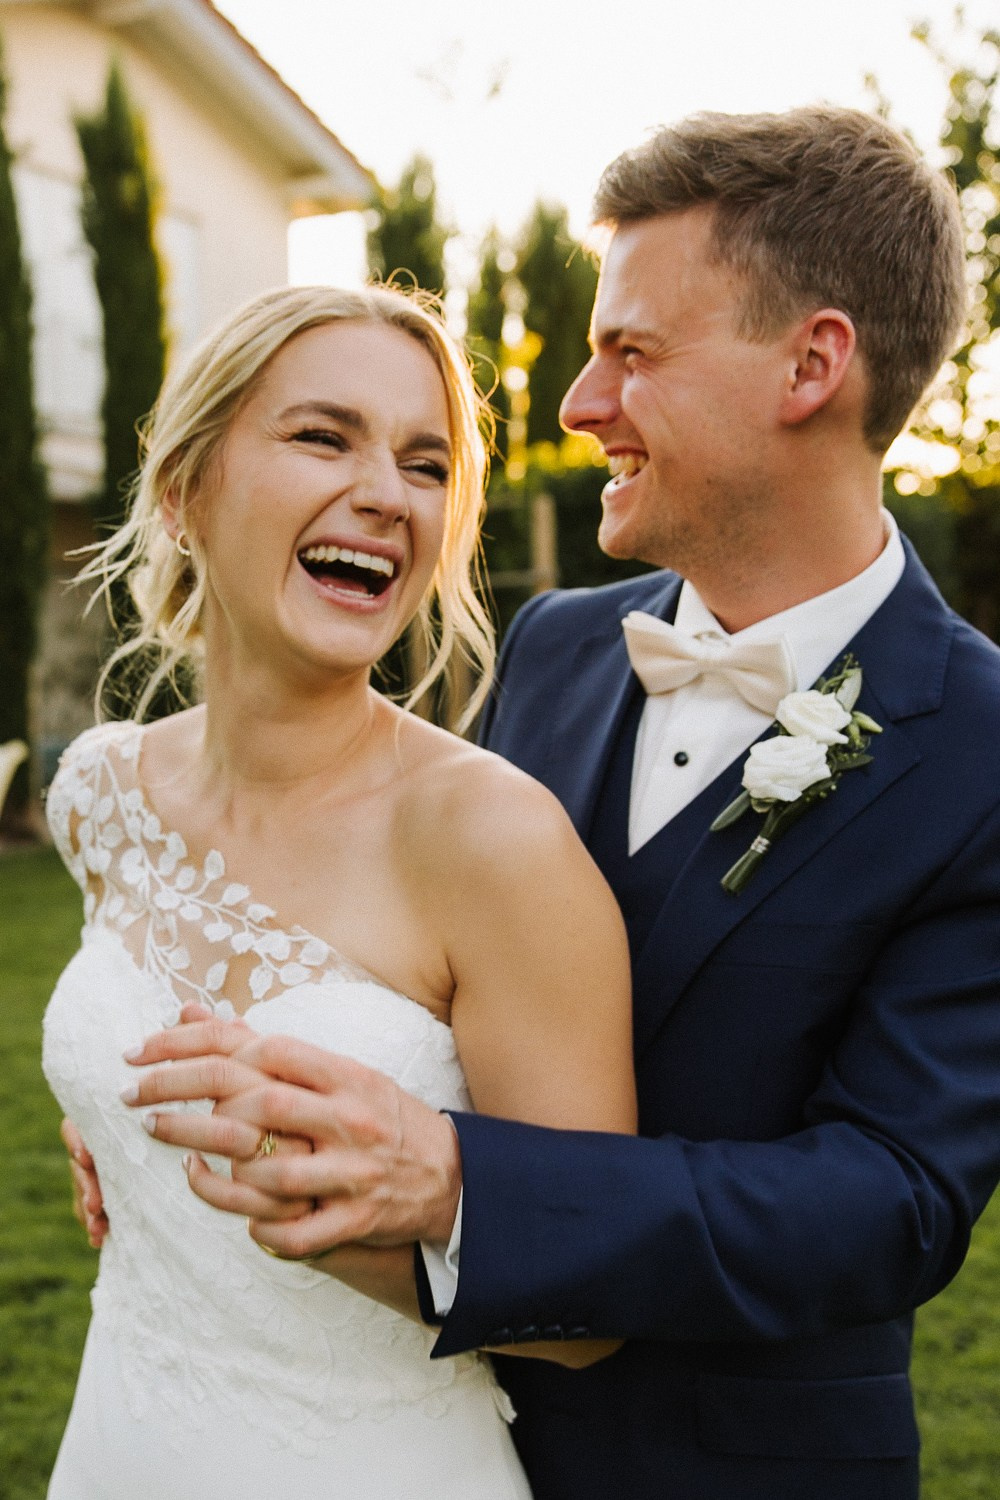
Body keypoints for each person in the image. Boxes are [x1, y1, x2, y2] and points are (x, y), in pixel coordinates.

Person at [79, 106, 1000, 1500]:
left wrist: (461, 1187)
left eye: (630, 351)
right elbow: (403, 966)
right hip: (406, 1412)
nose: (575, 406)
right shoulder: (564, 643)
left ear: (812, 364)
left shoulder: (979, 747)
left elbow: (892, 1202)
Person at [44, 283, 638, 1500]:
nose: (385, 492)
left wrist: (317, 1196)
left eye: (425, 464)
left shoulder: (493, 842)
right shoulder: (98, 792)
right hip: (122, 1432)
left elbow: (594, 1300)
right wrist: (113, 1127)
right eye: (324, 436)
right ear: (183, 487)